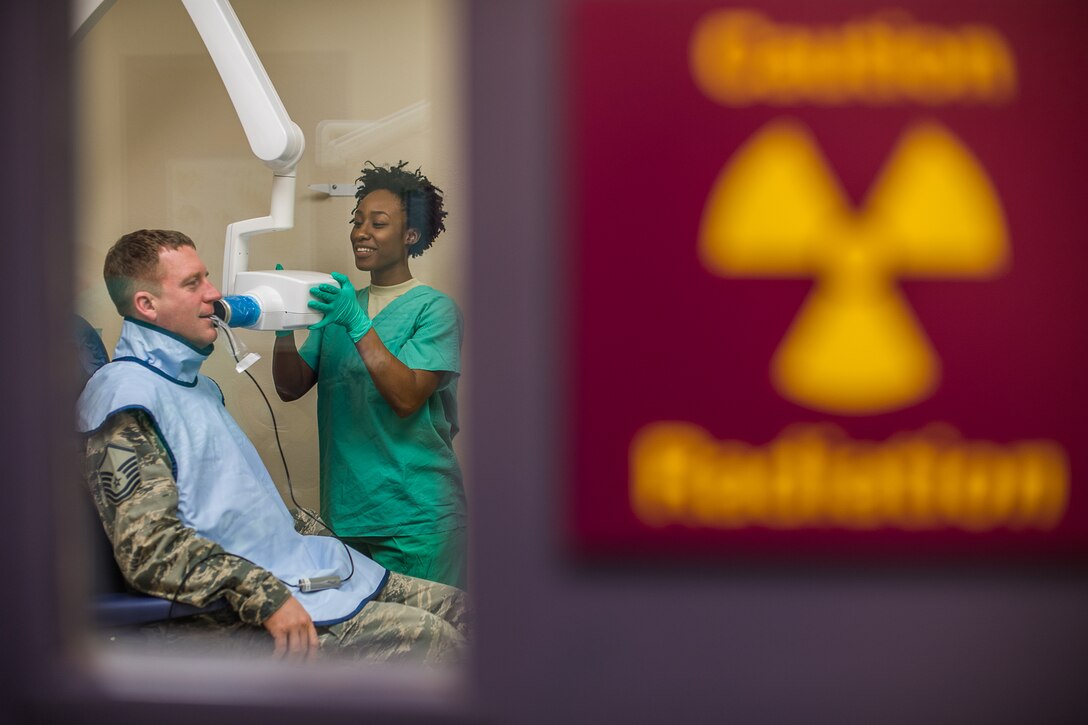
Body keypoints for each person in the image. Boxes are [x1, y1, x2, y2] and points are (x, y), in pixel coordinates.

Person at [77, 229, 468, 664]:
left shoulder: (197, 387)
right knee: (437, 642)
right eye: (193, 284)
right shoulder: (125, 403)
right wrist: (267, 597)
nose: (213, 293)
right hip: (234, 612)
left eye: (207, 277)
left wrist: (319, 540)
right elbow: (151, 551)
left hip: (289, 568)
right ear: (146, 305)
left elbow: (236, 503)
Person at [272, 161, 467, 589]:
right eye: (357, 220)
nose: (361, 232)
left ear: (410, 235)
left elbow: (406, 397)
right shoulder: (343, 305)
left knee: (433, 646)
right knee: (364, 645)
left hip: (417, 518)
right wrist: (282, 323)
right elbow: (290, 387)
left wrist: (357, 324)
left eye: (378, 223)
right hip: (347, 516)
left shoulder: (434, 310)